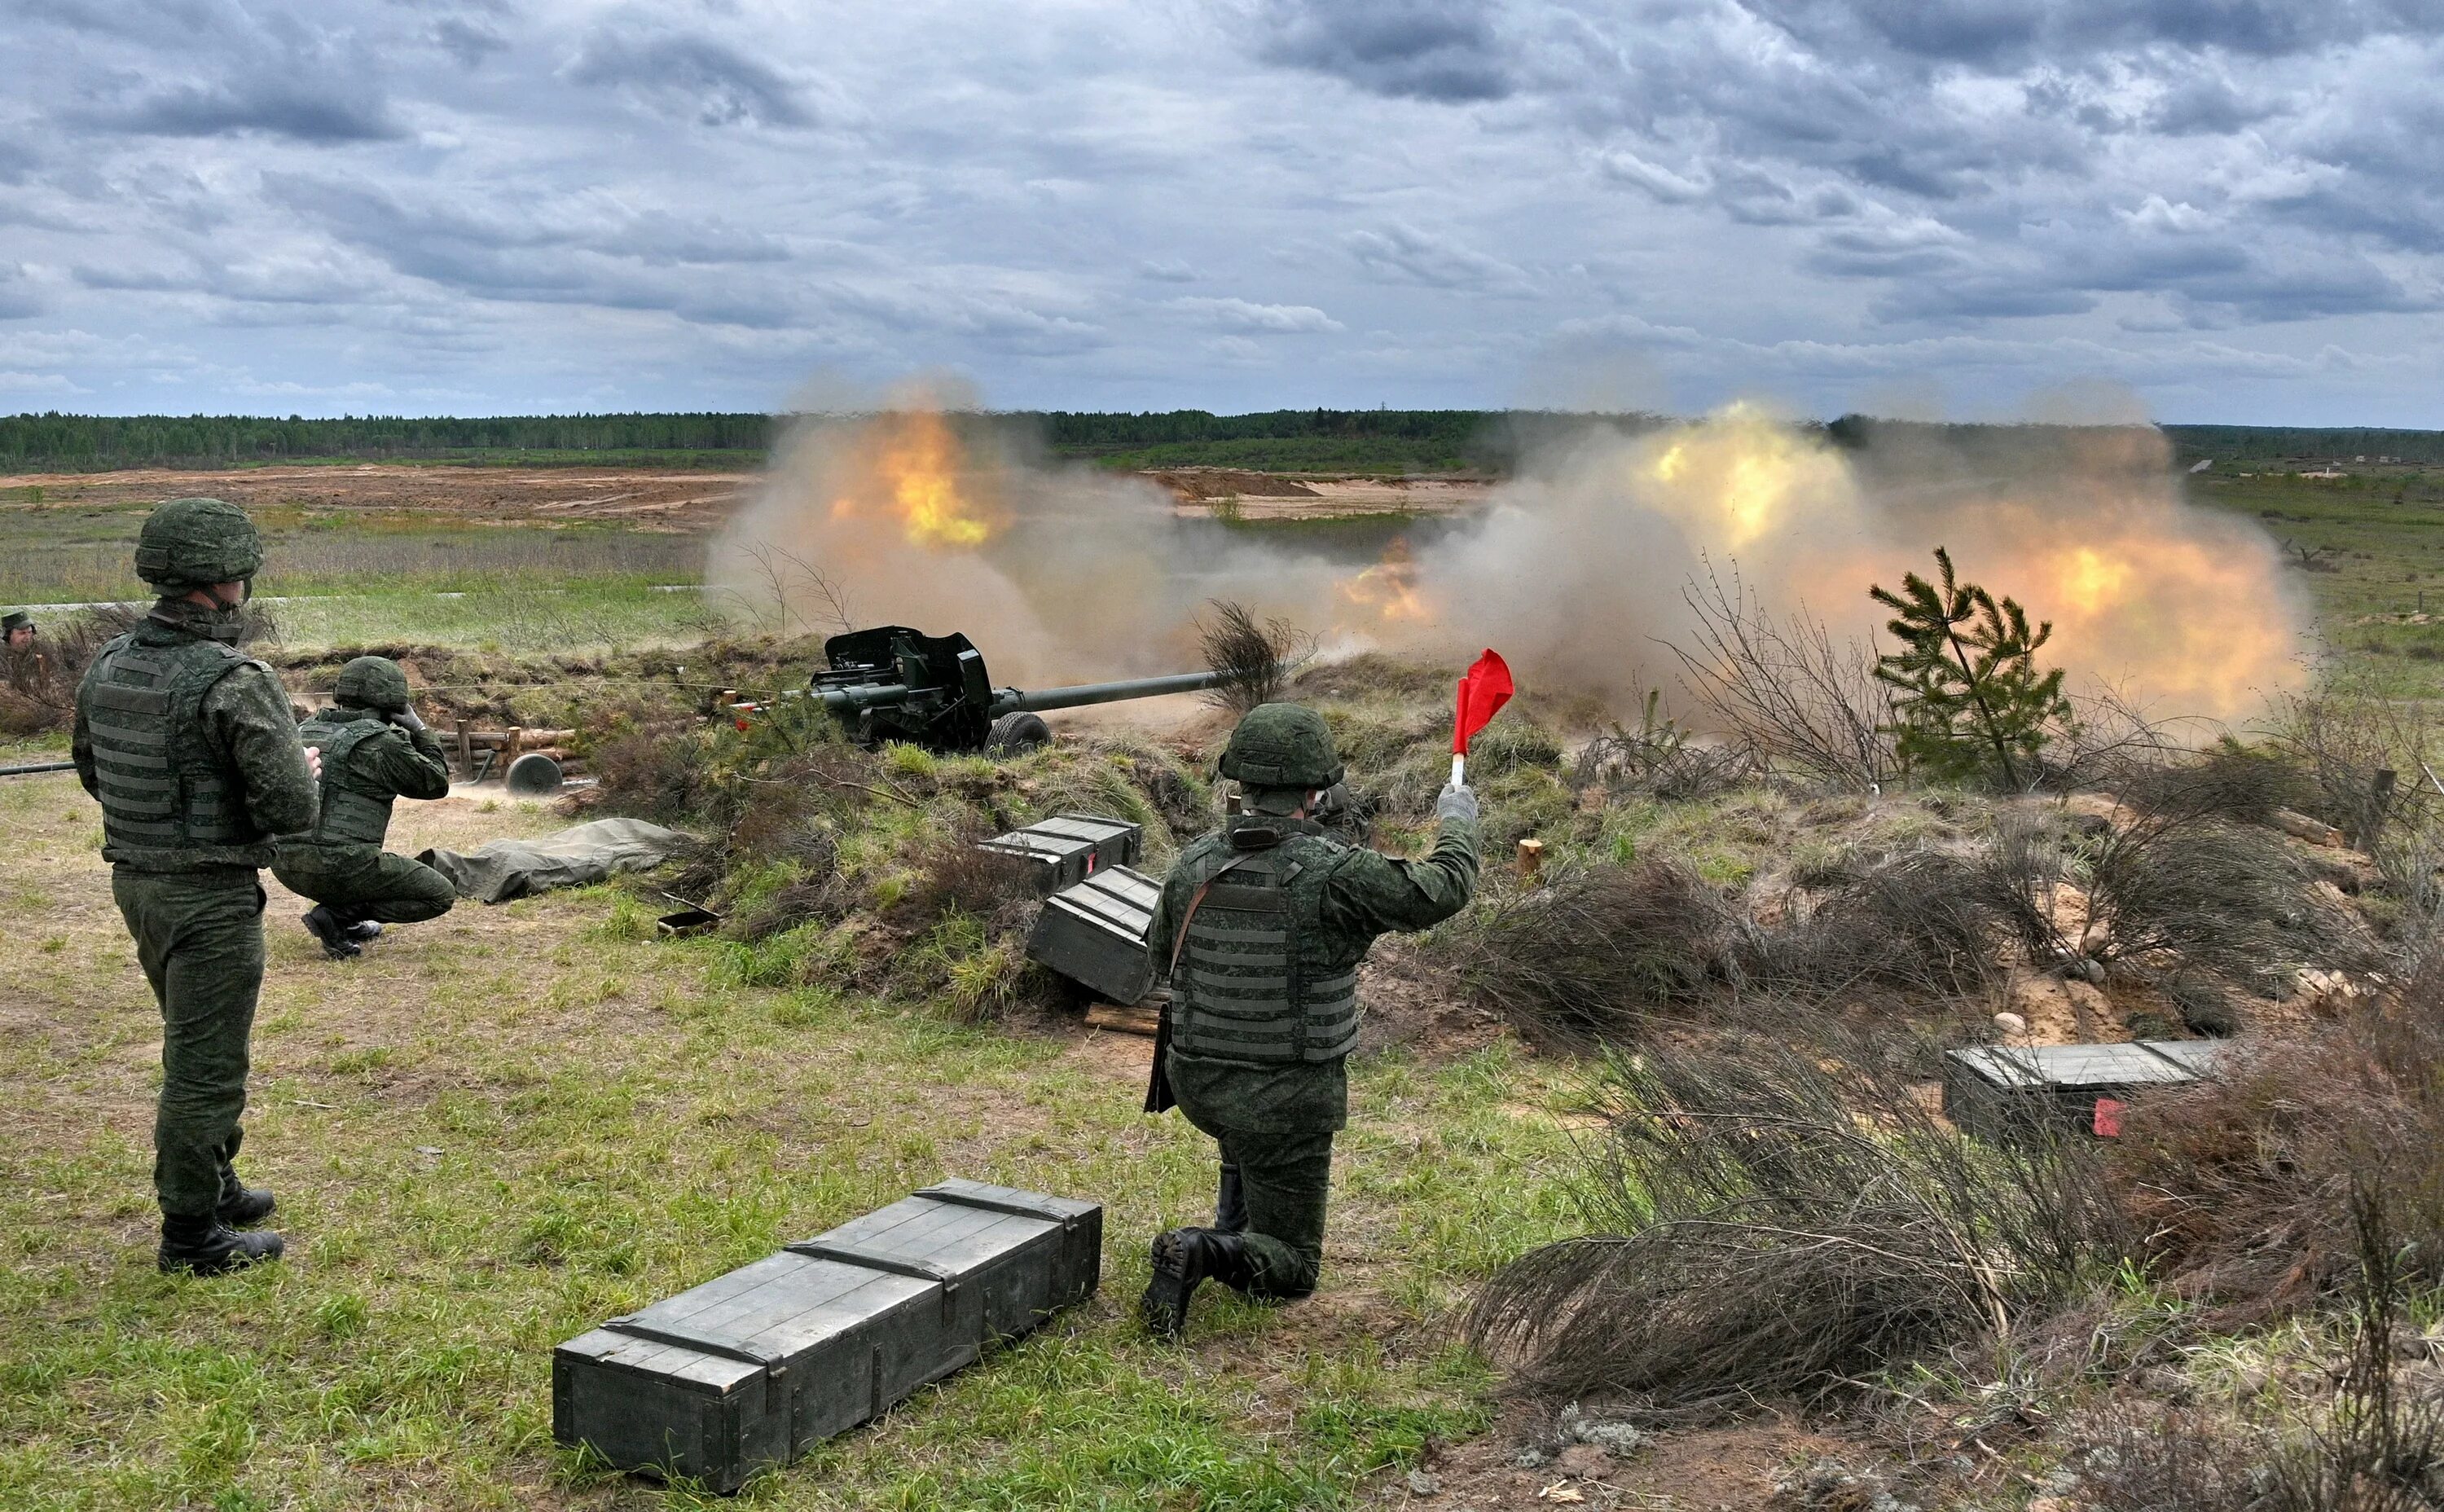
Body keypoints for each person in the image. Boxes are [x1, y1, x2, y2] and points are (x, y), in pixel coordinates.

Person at [1139, 701, 1479, 1338]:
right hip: (1285, 1097)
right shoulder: (1334, 874)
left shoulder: (1192, 863)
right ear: (1317, 788)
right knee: (1294, 1266)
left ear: (1240, 782)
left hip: (1199, 1085)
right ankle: (1208, 1250)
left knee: (1248, 1138)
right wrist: (1458, 816)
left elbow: (1159, 956)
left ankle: (1232, 1229)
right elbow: (1445, 888)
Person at [72, 498, 319, 1276]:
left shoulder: (111, 660)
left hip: (138, 885)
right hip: (208, 896)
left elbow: (93, 769)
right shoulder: (235, 678)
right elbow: (290, 808)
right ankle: (192, 1237)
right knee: (205, 1066)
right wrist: (302, 772)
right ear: (224, 581)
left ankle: (214, 1184)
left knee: (194, 1045)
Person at [273, 655, 456, 959]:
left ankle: (345, 917)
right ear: (394, 705)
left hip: (287, 866)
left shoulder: (303, 730)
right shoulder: (383, 742)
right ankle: (339, 916)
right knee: (439, 894)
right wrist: (420, 730)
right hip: (344, 867)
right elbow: (436, 783)